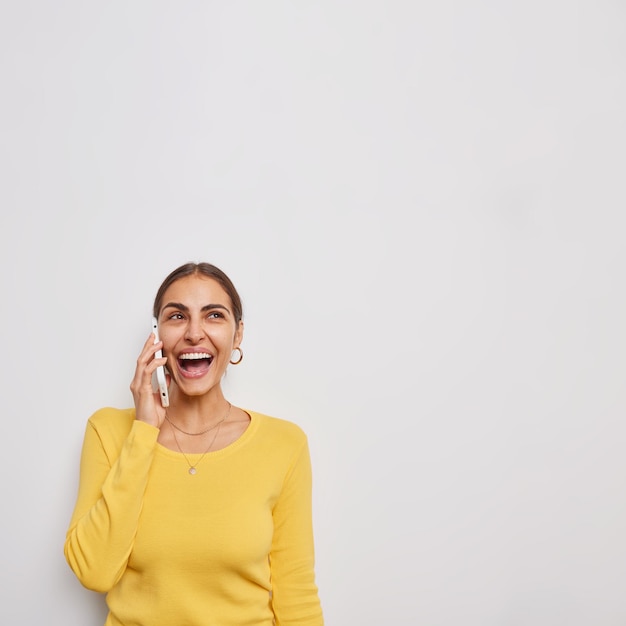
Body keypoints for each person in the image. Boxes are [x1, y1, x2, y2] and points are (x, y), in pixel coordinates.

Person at [64, 262, 324, 626]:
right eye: (177, 317)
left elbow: (295, 592)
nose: (194, 333)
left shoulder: (284, 444)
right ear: (157, 337)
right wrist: (143, 432)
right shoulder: (108, 431)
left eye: (214, 315)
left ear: (237, 336)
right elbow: (94, 572)